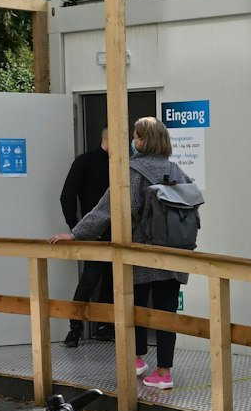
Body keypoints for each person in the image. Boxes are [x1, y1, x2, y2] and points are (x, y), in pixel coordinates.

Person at [49, 117, 193, 391]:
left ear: (144, 140)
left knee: (133, 308)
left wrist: (76, 234)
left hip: (140, 254)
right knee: (167, 314)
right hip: (174, 253)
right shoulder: (176, 170)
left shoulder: (132, 171)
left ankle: (136, 360)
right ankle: (164, 373)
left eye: (136, 136)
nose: (133, 141)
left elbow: (106, 209)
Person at [57, 126, 113, 347]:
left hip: (117, 233)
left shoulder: (122, 164)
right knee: (90, 278)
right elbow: (67, 196)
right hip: (92, 233)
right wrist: (77, 229)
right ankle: (75, 329)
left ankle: (104, 326)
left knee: (113, 279)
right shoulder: (85, 162)